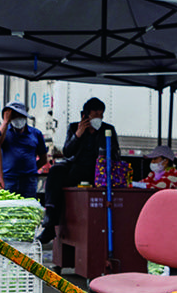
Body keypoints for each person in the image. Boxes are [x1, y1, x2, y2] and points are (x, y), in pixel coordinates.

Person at [38, 97, 118, 244]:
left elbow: (115, 153)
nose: (98, 118)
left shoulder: (108, 129)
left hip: (97, 170)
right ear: (85, 115)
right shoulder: (75, 127)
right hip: (76, 167)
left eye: (101, 115)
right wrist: (78, 135)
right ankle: (50, 219)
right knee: (56, 171)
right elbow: (67, 152)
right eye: (95, 115)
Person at [0, 101, 47, 200]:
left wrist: (30, 170)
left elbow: (43, 158)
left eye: (20, 115)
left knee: (28, 209)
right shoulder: (4, 132)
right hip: (8, 179)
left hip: (29, 180)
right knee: (8, 209)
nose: (18, 119)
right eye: (14, 116)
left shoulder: (36, 133)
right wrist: (5, 122)